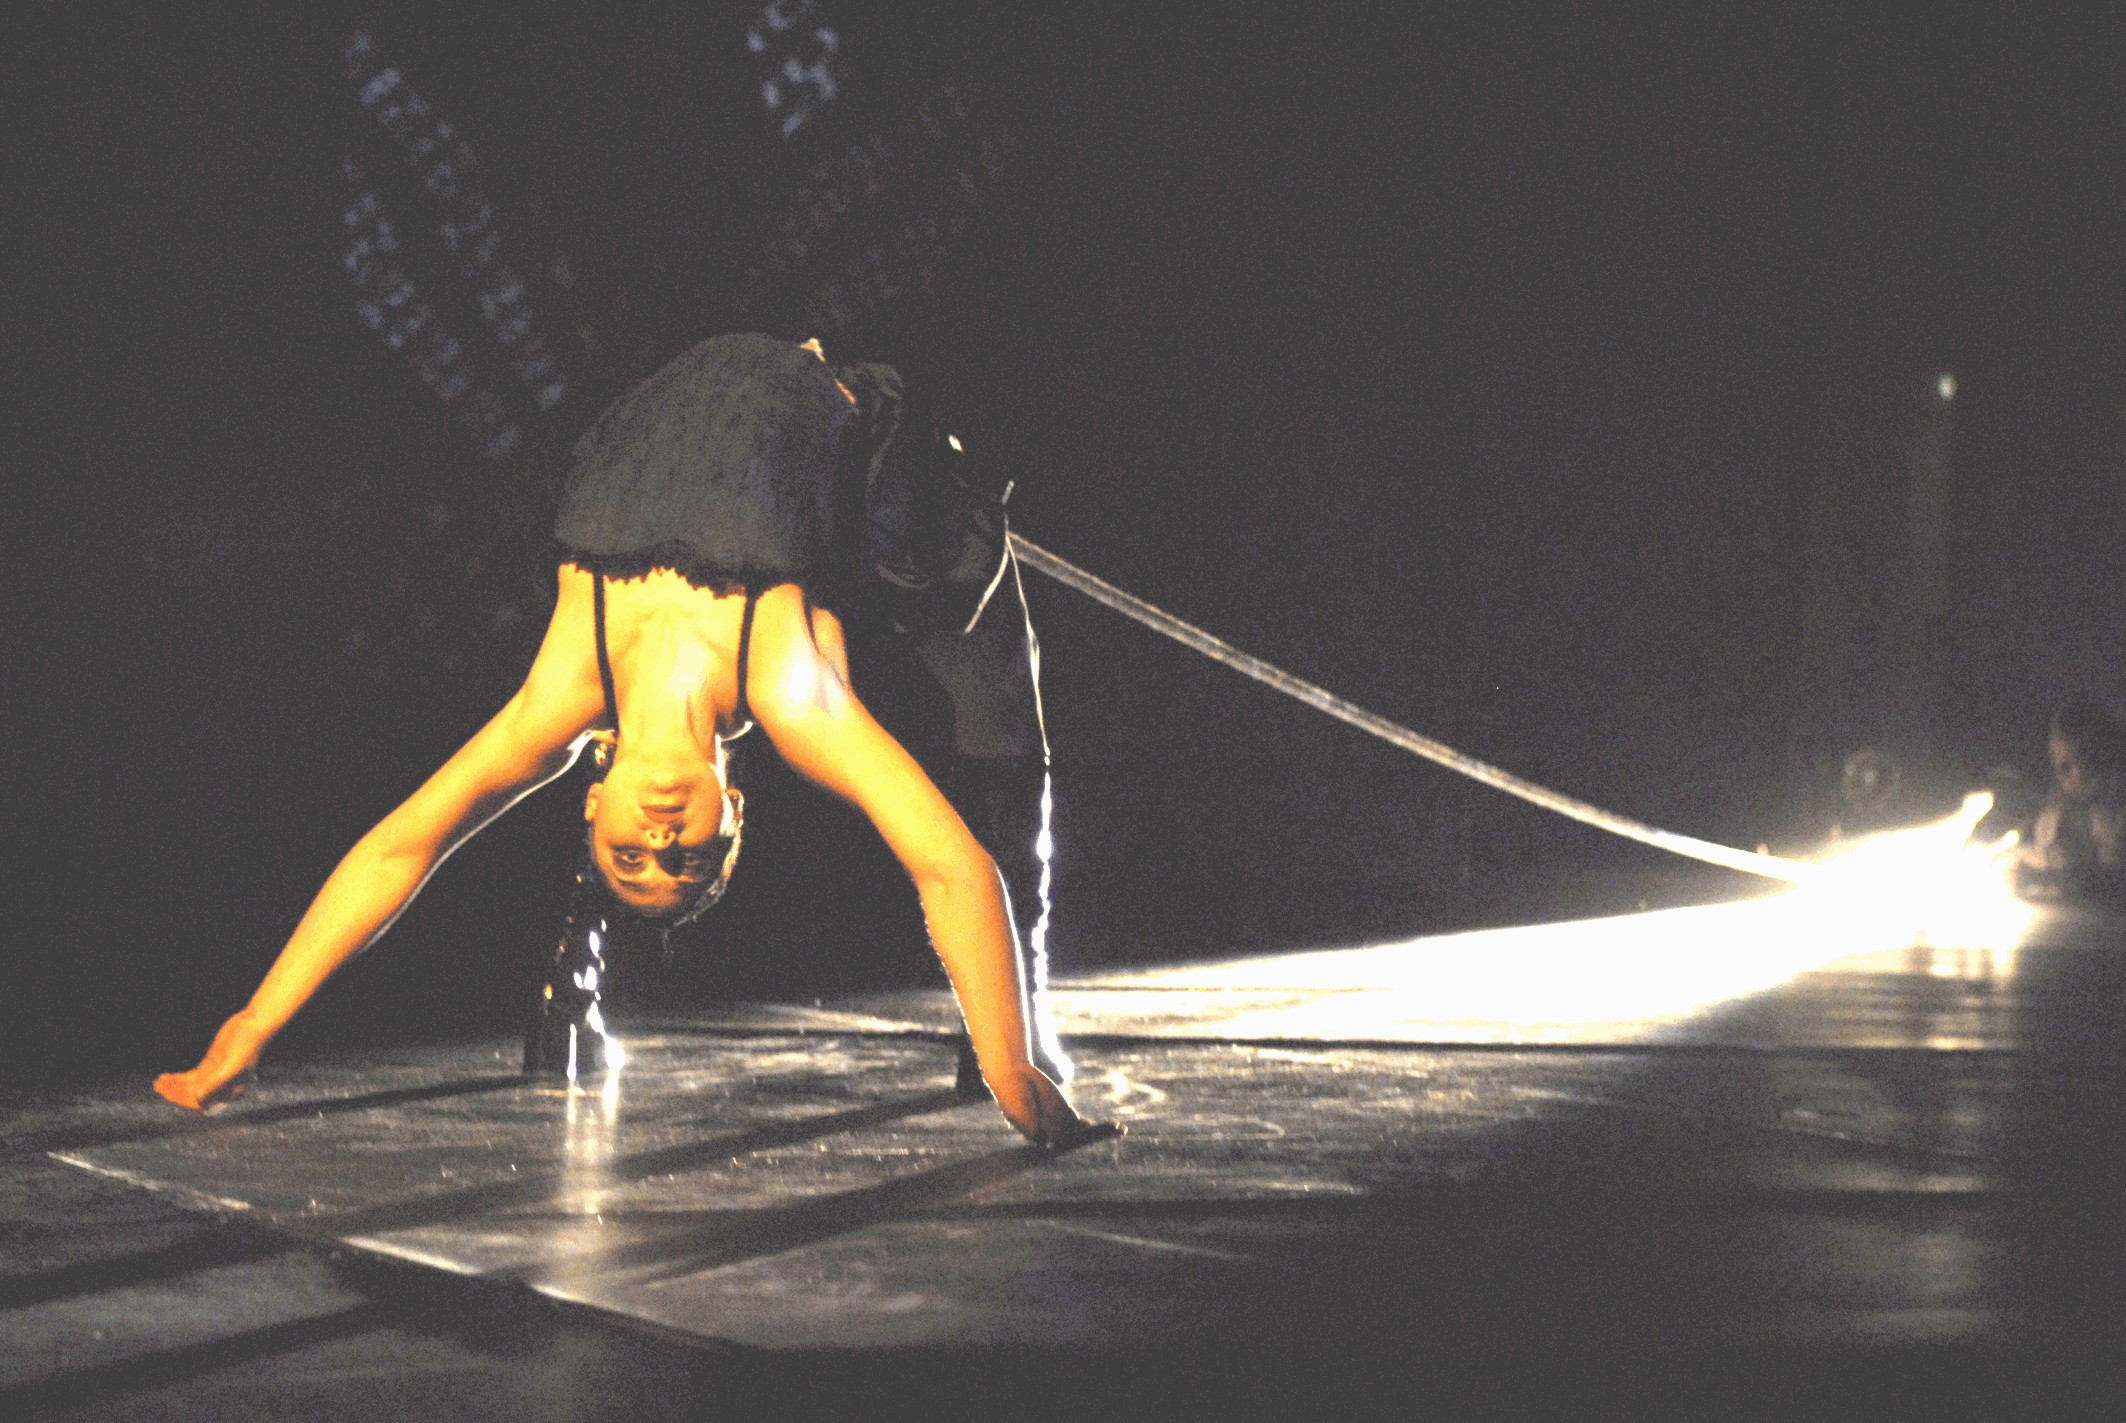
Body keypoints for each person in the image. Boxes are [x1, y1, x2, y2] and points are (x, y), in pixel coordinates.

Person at [155, 333, 1098, 1146]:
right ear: (734, 809)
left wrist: (254, 1022)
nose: (659, 837)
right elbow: (950, 867)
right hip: (859, 445)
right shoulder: (790, 692)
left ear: (593, 798)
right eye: (686, 859)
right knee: (996, 667)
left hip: (655, 420)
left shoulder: (561, 696)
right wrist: (1008, 1065)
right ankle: (1026, 994)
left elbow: (403, 844)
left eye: (630, 855)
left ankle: (574, 972)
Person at [2015, 699, 2126, 904]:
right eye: (2058, 764)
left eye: (2070, 764)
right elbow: (2045, 847)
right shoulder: (2058, 802)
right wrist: (2021, 859)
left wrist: (2054, 870)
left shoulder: (2115, 809)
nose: (2062, 775)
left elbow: (2112, 881)